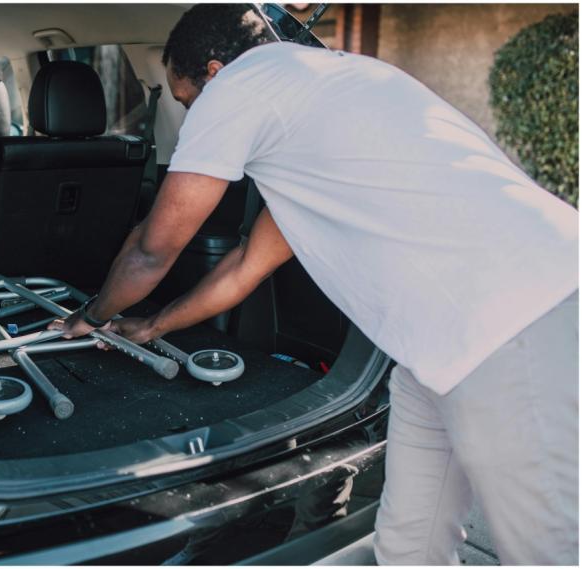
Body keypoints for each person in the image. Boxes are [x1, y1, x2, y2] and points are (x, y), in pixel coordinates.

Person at [49, 4, 578, 564]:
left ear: (212, 71)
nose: (189, 120)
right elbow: (247, 262)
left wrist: (92, 316)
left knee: (547, 548)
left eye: (185, 102)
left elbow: (153, 249)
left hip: (516, 315)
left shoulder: (239, 87)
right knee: (408, 545)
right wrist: (152, 324)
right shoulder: (328, 91)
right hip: (437, 347)